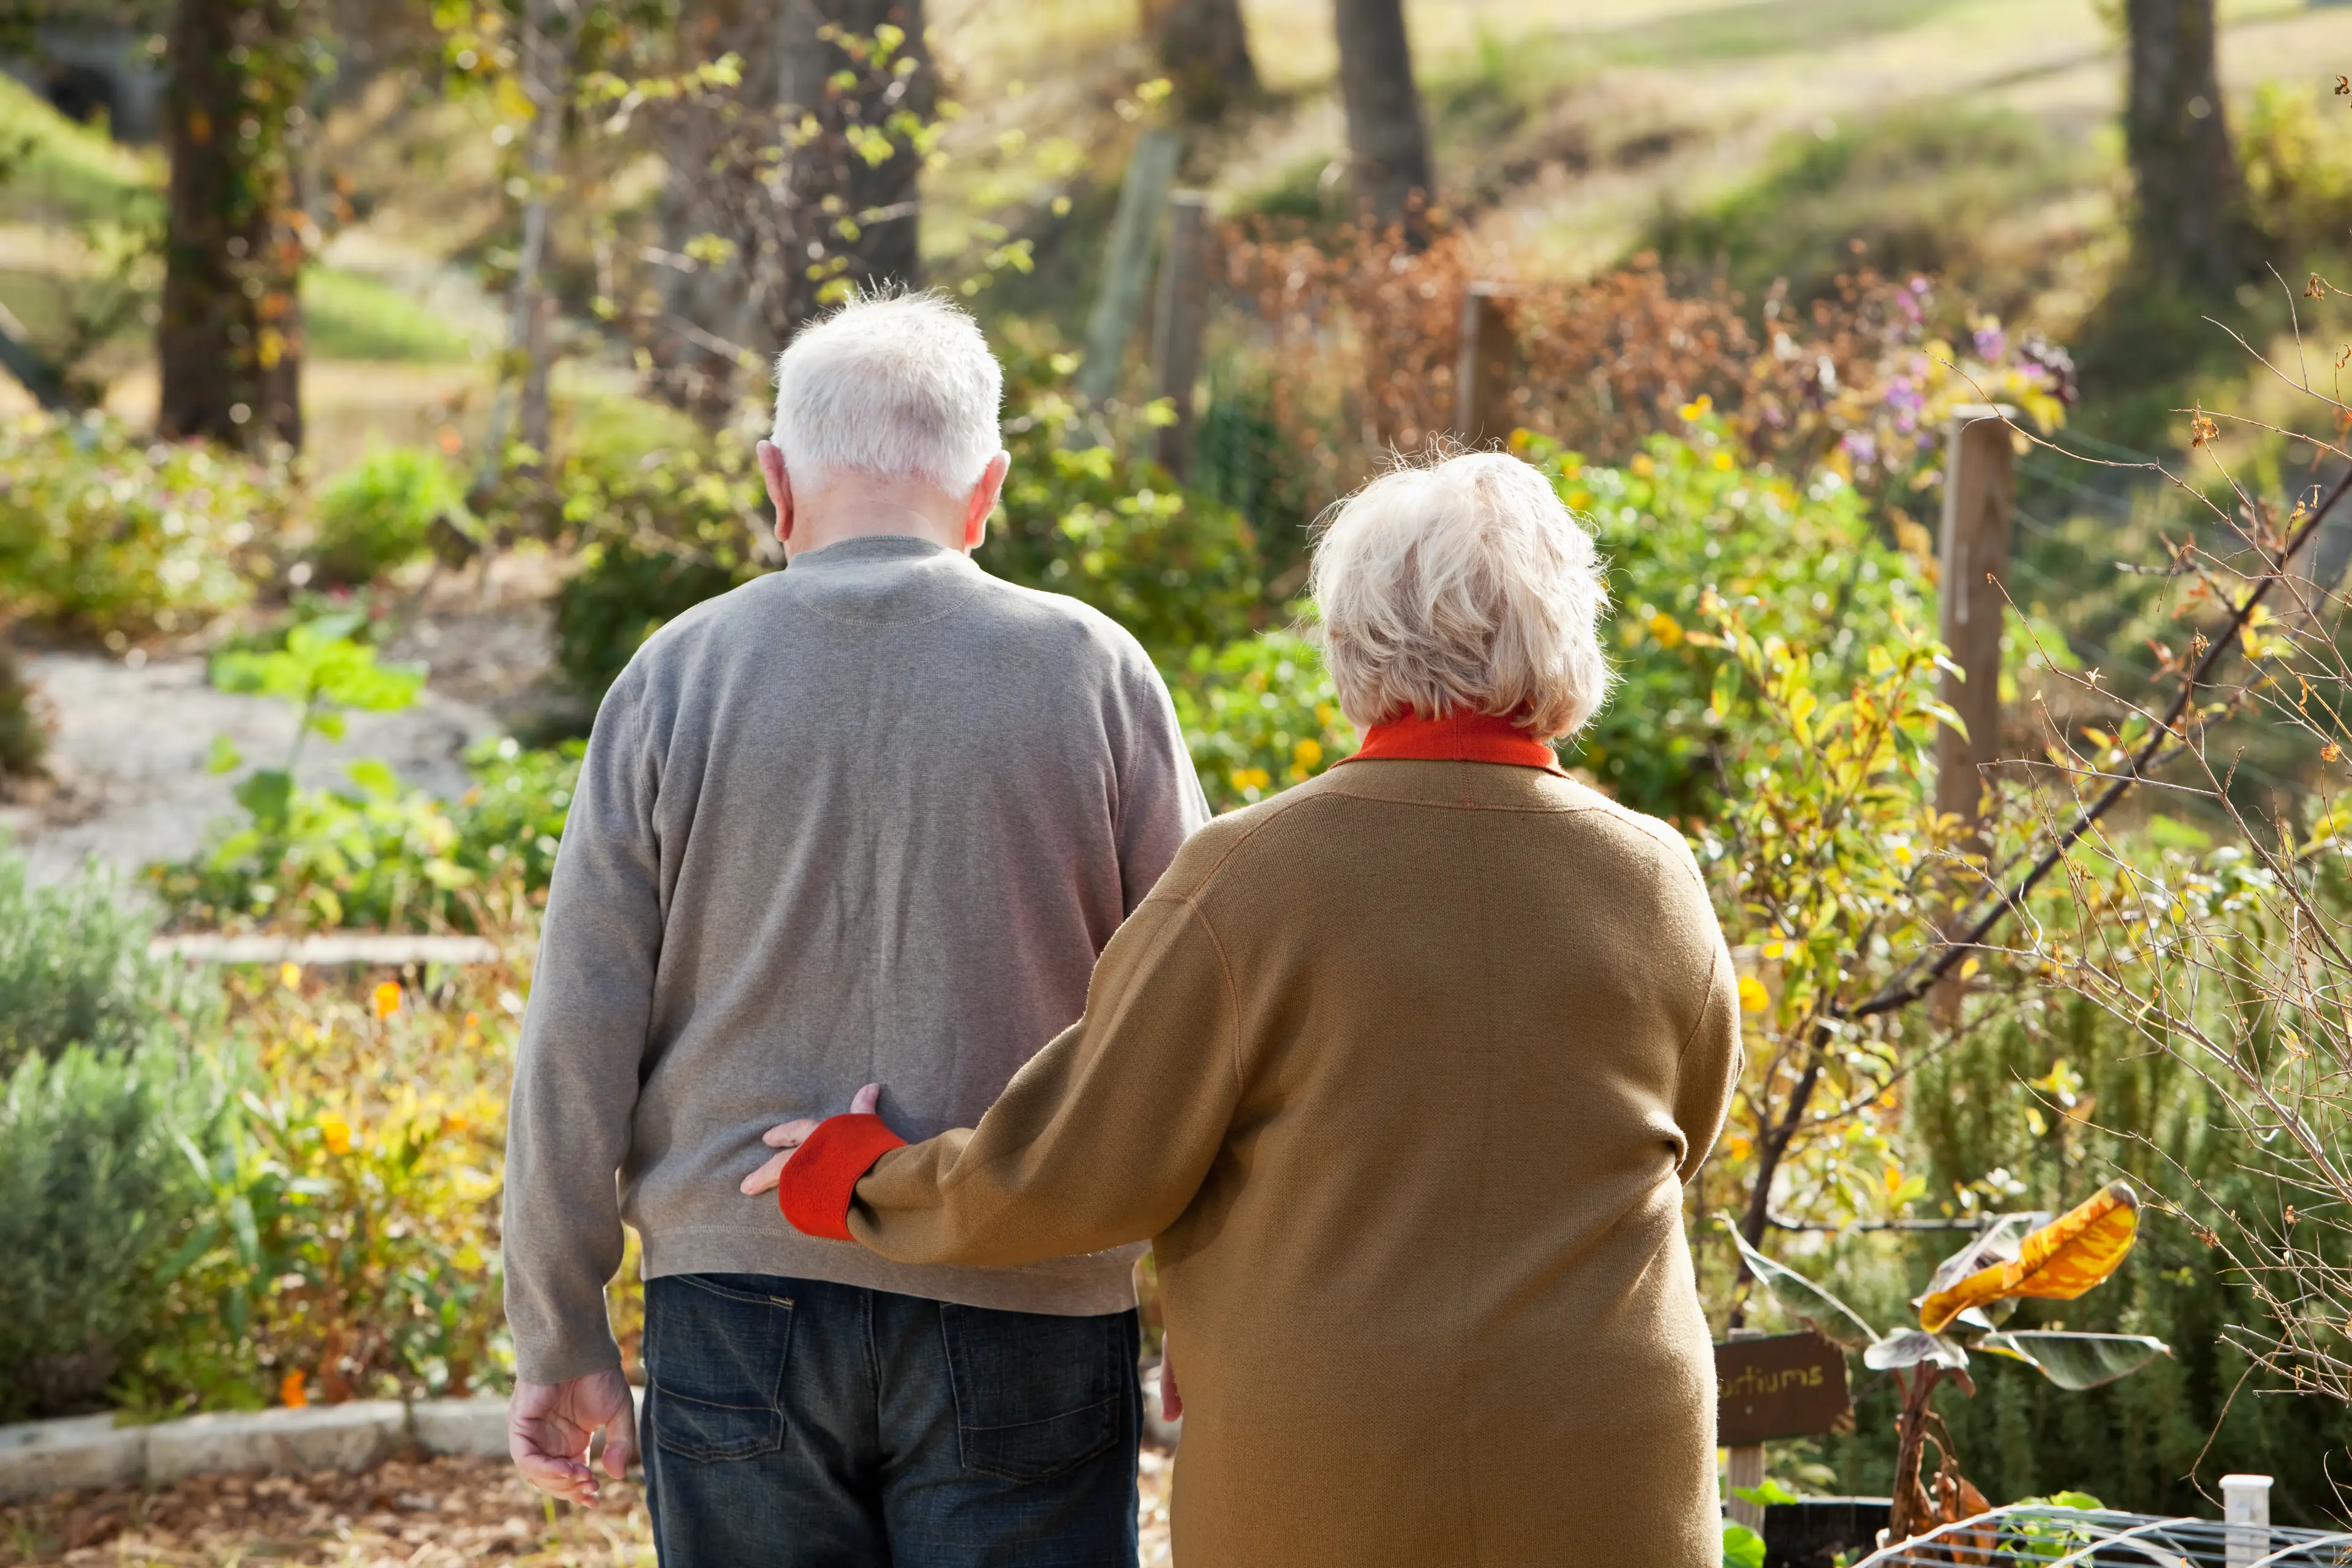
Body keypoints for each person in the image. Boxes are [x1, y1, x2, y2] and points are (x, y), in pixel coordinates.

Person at [750, 449, 1745, 1567]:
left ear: (1353, 638)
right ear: (1569, 633)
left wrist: (866, 1178)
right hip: (1612, 1467)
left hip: (1328, 1469)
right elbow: (1684, 1135)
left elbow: (1079, 1168)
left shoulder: (1251, 876)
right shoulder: (1654, 876)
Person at [500, 289, 1209, 1567]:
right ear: (986, 491)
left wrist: (561, 1332)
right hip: (1026, 1287)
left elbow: (578, 1027)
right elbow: (1195, 1024)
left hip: (734, 1295)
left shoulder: (676, 675)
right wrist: (1212, 1313)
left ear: (778, 481)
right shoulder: (1096, 673)